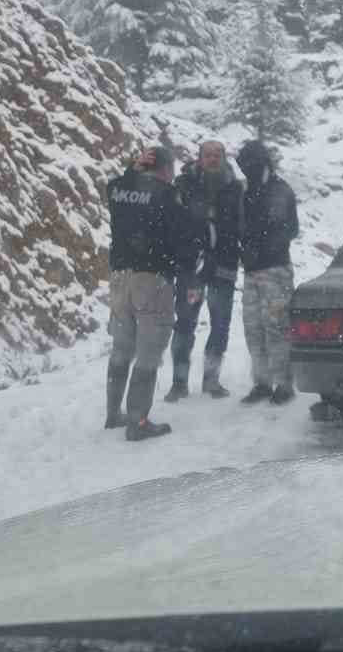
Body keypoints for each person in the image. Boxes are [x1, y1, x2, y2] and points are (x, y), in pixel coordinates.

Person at [105, 144, 199, 440]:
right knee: (148, 351)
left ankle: (113, 414)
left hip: (119, 278)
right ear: (167, 169)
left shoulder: (119, 188)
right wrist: (190, 277)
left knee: (121, 348)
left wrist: (131, 172)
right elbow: (185, 242)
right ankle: (138, 422)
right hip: (152, 280)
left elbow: (114, 186)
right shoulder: (168, 196)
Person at [166, 140, 244, 401]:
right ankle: (179, 383)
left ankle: (212, 380)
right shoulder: (184, 185)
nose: (212, 159)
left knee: (220, 324)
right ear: (199, 158)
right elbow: (173, 223)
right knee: (185, 323)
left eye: (217, 154)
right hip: (192, 267)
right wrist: (188, 251)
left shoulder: (235, 188)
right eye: (208, 155)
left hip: (224, 265)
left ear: (224, 157)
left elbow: (241, 226)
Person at [235, 139, 299, 406]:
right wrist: (243, 248)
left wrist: (259, 248)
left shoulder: (279, 190)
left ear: (263, 163)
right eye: (243, 165)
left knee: (277, 327)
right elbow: (240, 226)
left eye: (250, 164)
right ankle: (261, 383)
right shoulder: (246, 191)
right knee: (253, 328)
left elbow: (287, 229)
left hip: (275, 270)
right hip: (252, 272)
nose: (246, 169)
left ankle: (284, 384)